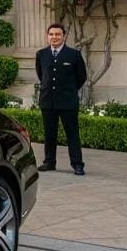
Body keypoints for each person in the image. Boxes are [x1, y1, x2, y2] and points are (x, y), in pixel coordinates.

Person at [35, 23, 87, 175]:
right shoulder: (41, 54)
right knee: (49, 133)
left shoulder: (74, 55)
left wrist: (68, 90)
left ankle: (77, 164)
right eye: (51, 34)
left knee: (72, 134)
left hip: (68, 102)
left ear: (63, 36)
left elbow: (81, 77)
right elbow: (41, 75)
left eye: (57, 34)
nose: (54, 37)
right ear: (48, 36)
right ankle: (49, 162)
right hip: (47, 100)